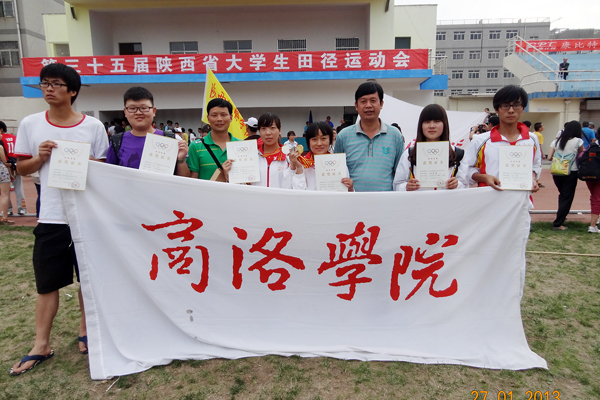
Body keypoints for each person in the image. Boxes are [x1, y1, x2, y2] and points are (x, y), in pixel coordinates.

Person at [10, 63, 109, 375]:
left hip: (86, 215)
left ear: (72, 91)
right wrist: (40, 157)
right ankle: (41, 344)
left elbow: (103, 169)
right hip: (52, 216)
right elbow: (21, 169)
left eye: (56, 84)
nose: (49, 89)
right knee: (47, 283)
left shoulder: (93, 126)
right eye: (45, 83)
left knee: (87, 280)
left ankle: (86, 330)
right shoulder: (30, 124)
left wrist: (88, 162)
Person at [460, 85, 541, 299]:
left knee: (515, 259)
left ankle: (512, 304)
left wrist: (533, 180)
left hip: (519, 210)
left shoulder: (531, 139)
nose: (511, 110)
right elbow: (465, 172)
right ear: (497, 109)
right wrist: (484, 177)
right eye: (505, 106)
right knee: (485, 257)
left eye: (516, 105)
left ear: (523, 108)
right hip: (488, 211)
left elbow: (535, 166)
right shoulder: (482, 141)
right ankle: (483, 302)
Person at [333, 81, 404, 191]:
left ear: (381, 104)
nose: (368, 105)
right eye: (363, 101)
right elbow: (336, 173)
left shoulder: (395, 135)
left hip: (386, 200)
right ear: (356, 105)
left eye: (373, 100)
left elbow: (400, 175)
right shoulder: (343, 136)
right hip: (353, 200)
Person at [106, 86, 190, 177]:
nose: (138, 112)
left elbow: (184, 179)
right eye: (132, 108)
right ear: (125, 112)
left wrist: (181, 160)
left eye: (144, 108)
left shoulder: (172, 139)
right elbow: (109, 176)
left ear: (154, 111)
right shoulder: (117, 142)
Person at [393, 104, 465, 191]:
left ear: (444, 124)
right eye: (427, 122)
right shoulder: (409, 154)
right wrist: (407, 187)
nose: (431, 126)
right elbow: (397, 185)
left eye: (437, 121)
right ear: (421, 125)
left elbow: (467, 185)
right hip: (418, 200)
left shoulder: (458, 154)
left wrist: (457, 185)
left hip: (447, 200)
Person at [288, 121, 353, 191]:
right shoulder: (302, 163)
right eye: (314, 139)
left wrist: (350, 189)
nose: (319, 143)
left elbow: (345, 194)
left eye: (323, 138)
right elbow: (296, 193)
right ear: (308, 142)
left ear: (330, 140)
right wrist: (299, 168)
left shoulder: (339, 164)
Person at [187, 98, 238, 181]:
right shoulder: (195, 146)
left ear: (231, 117)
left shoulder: (241, 145)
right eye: (214, 115)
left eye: (223, 115)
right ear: (208, 118)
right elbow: (193, 180)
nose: (219, 119)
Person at [547, 121, 584, 230]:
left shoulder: (556, 141)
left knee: (563, 195)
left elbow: (549, 158)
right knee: (566, 197)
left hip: (556, 172)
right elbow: (581, 155)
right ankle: (558, 223)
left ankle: (561, 215)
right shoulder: (578, 141)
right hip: (571, 171)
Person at [250, 113, 292, 188]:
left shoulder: (289, 158)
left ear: (279, 130)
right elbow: (243, 186)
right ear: (259, 131)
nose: (268, 133)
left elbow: (297, 187)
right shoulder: (251, 157)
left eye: (272, 128)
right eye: (263, 128)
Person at [1, 121, 27, 215]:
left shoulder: (1, 138)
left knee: (5, 190)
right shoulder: (14, 137)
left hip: (5, 165)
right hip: (15, 164)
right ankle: (22, 208)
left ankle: (8, 209)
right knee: (19, 188)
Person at [0, 139, 13, 225]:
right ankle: (4, 217)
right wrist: (10, 172)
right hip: (1, 170)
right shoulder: (0, 147)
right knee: (4, 195)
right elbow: (5, 162)